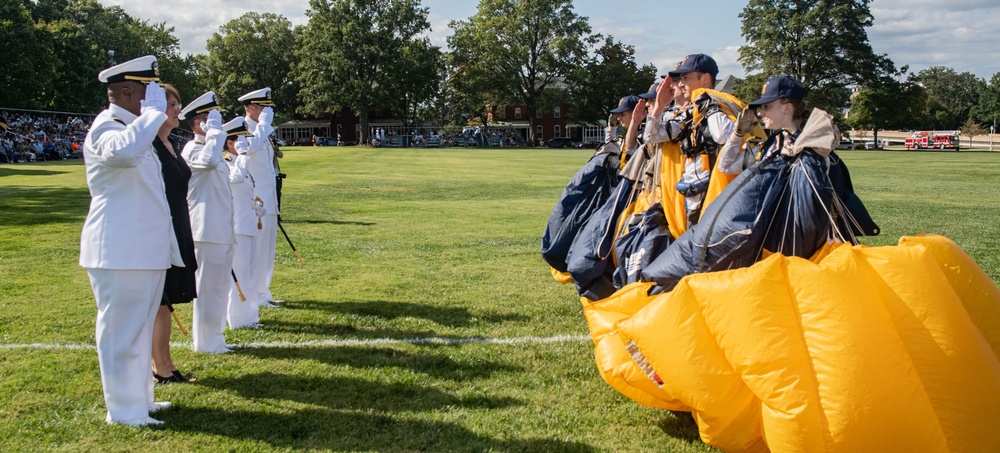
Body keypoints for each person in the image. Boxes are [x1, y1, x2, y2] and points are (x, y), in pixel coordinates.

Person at [80, 55, 175, 426]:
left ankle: (140, 400)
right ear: (123, 92)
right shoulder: (107, 127)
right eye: (145, 93)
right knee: (121, 334)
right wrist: (152, 117)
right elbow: (121, 154)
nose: (152, 102)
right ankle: (123, 411)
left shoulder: (134, 128)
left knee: (138, 330)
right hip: (119, 251)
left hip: (142, 249)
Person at [179, 92, 234, 354]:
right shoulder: (194, 149)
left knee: (220, 287)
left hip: (221, 228)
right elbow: (210, 162)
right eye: (210, 119)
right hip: (205, 229)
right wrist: (213, 135)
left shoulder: (210, 148)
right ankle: (204, 341)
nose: (217, 125)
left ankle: (215, 336)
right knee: (207, 288)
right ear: (198, 123)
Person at [151, 84, 198, 383]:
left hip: (178, 222)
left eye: (177, 103)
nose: (177, 109)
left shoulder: (169, 143)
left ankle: (166, 364)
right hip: (163, 225)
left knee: (166, 303)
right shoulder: (151, 146)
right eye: (171, 104)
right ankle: (161, 368)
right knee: (159, 301)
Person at [668, 54, 737, 227]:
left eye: (686, 78)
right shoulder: (695, 110)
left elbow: (723, 135)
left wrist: (710, 105)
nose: (681, 83)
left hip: (713, 198)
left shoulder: (717, 104)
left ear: (705, 78)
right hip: (693, 197)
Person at [238, 88, 281, 308]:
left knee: (267, 250)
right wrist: (263, 125)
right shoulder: (243, 130)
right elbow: (248, 147)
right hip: (255, 202)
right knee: (257, 251)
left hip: (269, 200)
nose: (267, 112)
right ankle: (254, 293)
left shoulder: (261, 132)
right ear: (252, 108)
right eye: (263, 107)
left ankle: (264, 292)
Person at [221, 117, 264, 329]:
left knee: (251, 274)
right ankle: (237, 319)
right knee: (239, 275)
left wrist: (257, 209)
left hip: (249, 224)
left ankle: (250, 316)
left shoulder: (240, 163)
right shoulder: (227, 164)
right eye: (241, 140)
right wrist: (243, 155)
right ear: (230, 143)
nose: (245, 145)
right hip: (237, 228)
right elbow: (235, 180)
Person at [718, 75, 808, 174]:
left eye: (766, 107)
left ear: (787, 108)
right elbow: (725, 167)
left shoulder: (806, 150)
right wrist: (737, 135)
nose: (760, 113)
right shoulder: (767, 147)